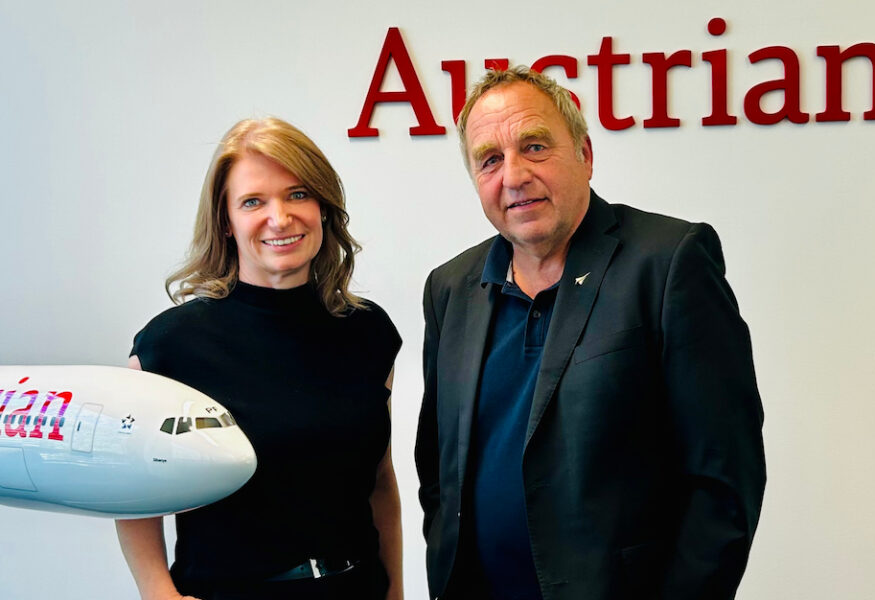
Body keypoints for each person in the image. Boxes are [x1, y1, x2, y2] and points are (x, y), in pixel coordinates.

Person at [415, 66, 766, 600]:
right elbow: (439, 472)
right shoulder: (449, 288)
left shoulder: (668, 263)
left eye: (534, 147)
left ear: (584, 154)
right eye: (490, 160)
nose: (513, 176)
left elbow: (723, 479)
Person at [116, 117, 403, 600]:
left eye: (297, 194)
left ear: (323, 208)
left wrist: (395, 591)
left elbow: (380, 482)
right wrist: (158, 593)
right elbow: (132, 492)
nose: (280, 217)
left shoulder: (369, 331)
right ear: (226, 221)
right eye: (253, 201)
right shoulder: (170, 345)